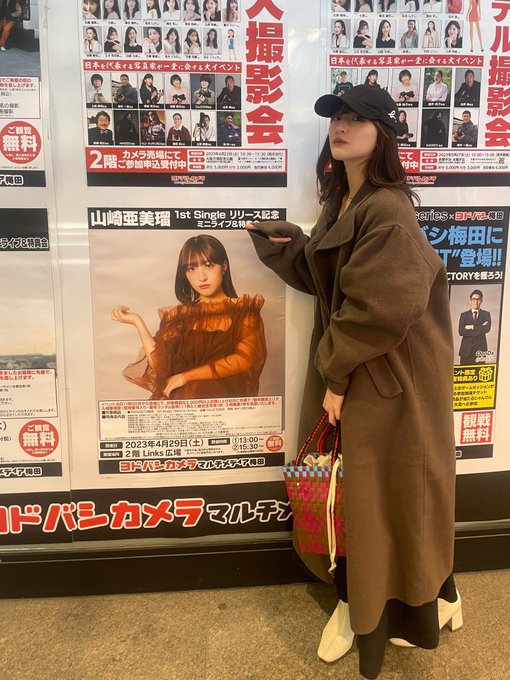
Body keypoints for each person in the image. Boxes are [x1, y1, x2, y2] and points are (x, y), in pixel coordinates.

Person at [245, 84, 459, 680]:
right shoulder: (347, 200)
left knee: (378, 494)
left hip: (389, 374)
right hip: (364, 364)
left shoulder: (388, 208)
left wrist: (337, 377)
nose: (341, 126)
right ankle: (393, 598)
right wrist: (290, 248)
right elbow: (339, 285)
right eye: (336, 117)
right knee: (359, 493)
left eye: (356, 118)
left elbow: (381, 309)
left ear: (382, 133)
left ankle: (378, 609)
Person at [112, 235, 266, 400]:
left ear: (224, 266)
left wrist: (186, 376)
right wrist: (137, 322)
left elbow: (244, 359)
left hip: (222, 408)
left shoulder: (244, 310)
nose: (201, 277)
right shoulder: (178, 316)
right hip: (180, 408)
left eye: (208, 265)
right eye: (191, 268)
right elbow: (160, 366)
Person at [458, 290, 491, 364]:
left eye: (478, 299)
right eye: (474, 299)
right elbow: (461, 331)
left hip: (480, 351)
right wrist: (479, 329)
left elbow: (487, 329)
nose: (476, 301)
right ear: (470, 301)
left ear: (481, 301)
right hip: (466, 350)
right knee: (464, 370)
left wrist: (472, 327)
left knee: (480, 370)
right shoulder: (464, 315)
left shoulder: (486, 314)